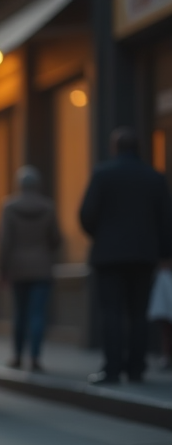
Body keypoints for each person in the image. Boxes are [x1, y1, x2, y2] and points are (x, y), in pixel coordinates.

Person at [80, 127, 172, 384]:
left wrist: (102, 235)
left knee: (112, 313)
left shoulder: (103, 174)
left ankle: (112, 369)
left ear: (114, 148)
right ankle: (136, 369)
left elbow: (86, 214)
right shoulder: (154, 177)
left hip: (108, 256)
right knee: (138, 314)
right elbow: (166, 220)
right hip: (143, 255)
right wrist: (164, 253)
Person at [0, 166, 61, 372]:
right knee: (37, 315)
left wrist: (2, 269)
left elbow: (5, 242)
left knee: (20, 313)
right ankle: (35, 357)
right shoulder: (48, 207)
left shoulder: (9, 207)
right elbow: (55, 239)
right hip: (42, 266)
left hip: (18, 267)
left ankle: (17, 356)